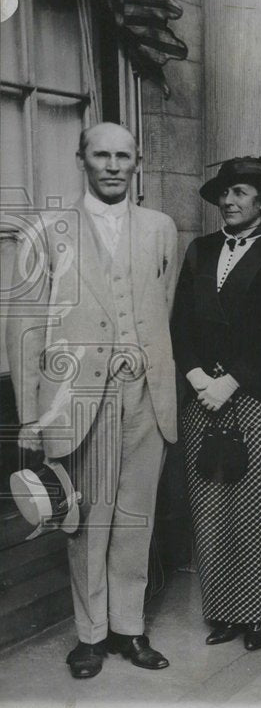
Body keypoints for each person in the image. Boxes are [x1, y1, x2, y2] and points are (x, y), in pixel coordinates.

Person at [4, 123, 179, 678]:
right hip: (77, 400)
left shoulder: (160, 228)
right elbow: (25, 326)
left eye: (122, 156)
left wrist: (139, 356)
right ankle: (90, 635)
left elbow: (162, 308)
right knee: (86, 522)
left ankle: (130, 627)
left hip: (146, 397)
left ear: (137, 163)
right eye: (100, 154)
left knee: (135, 519)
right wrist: (30, 413)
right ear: (81, 158)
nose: (111, 165)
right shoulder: (46, 229)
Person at [170, 156, 261, 652]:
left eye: (241, 193)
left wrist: (232, 381)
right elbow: (179, 321)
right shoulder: (200, 250)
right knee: (210, 504)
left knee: (257, 506)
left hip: (260, 400)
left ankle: (258, 612)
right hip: (201, 397)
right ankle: (223, 610)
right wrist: (193, 375)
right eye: (225, 193)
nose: (229, 201)